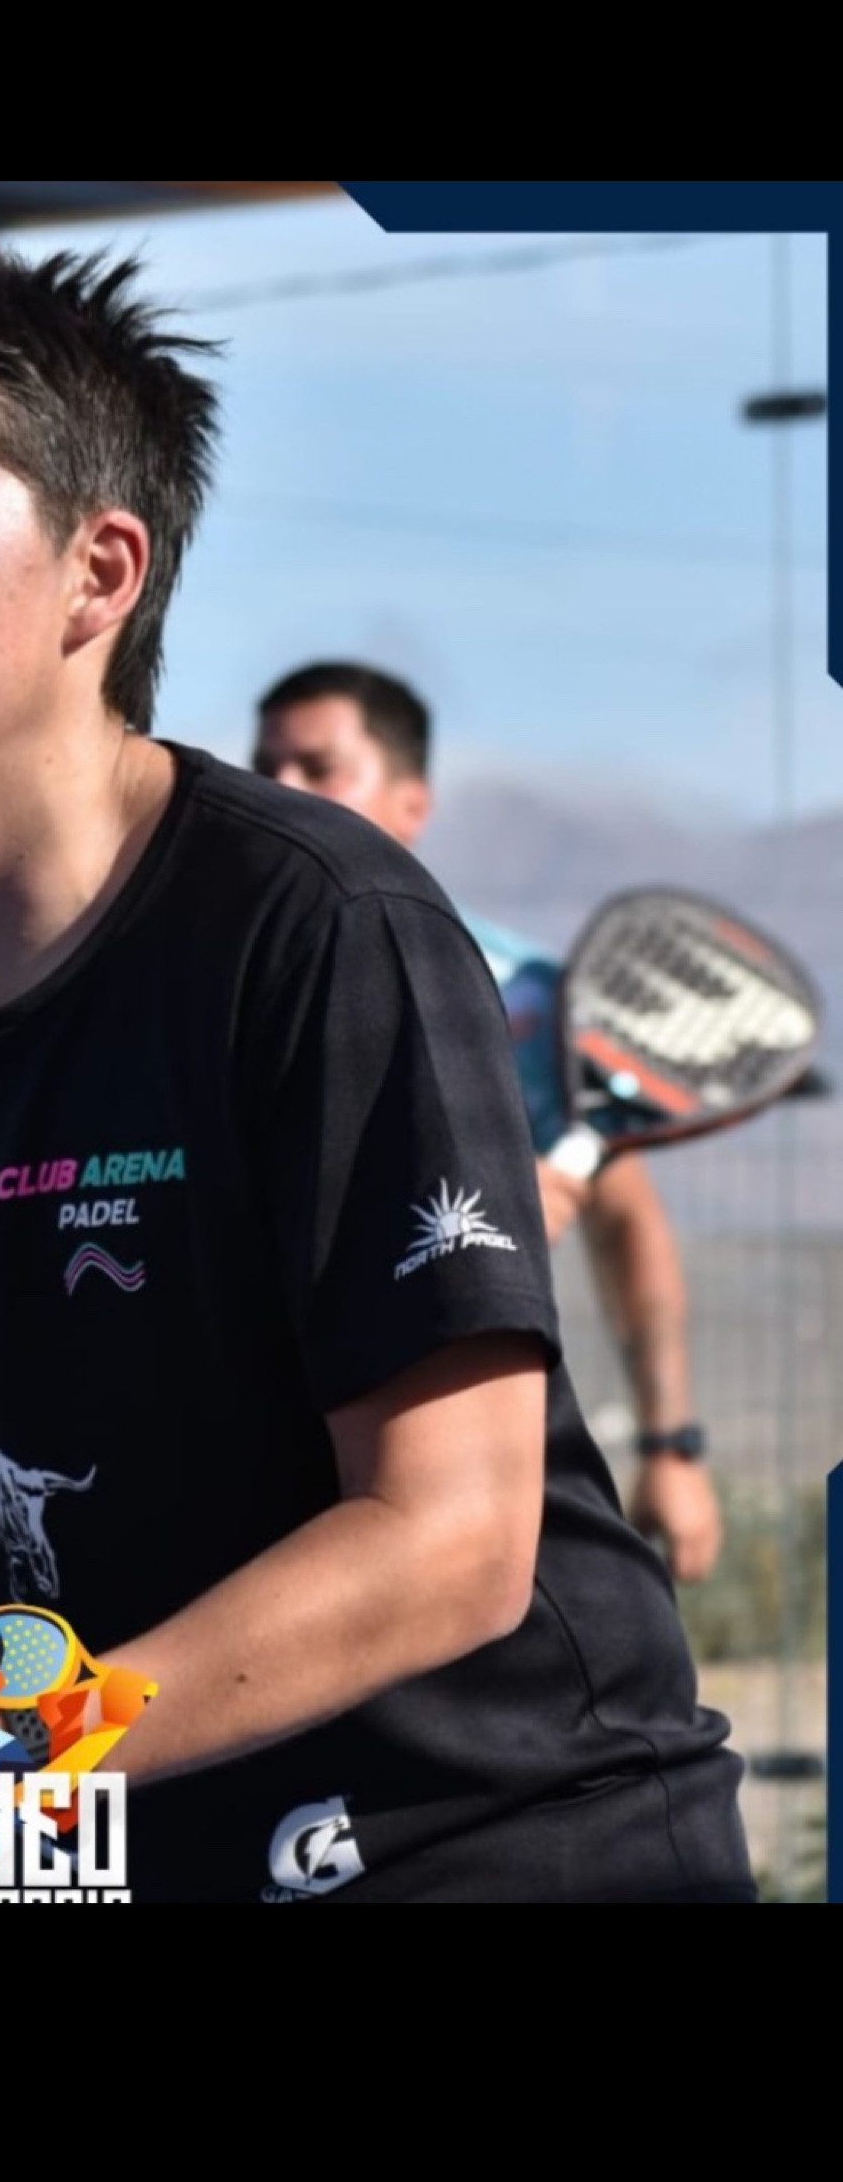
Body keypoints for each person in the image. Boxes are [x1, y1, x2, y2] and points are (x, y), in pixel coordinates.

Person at [0, 236, 755, 1904]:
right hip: (123, 1843)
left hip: (502, 1843)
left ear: (99, 574)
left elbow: (452, 1537)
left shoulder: (320, 926)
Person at [249, 666, 724, 1588]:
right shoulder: (204, 979)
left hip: (457, 1491)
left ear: (412, 803)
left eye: (319, 766)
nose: (282, 790)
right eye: (266, 766)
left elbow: (627, 1223)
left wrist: (673, 1445)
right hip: (255, 1476)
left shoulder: (524, 999)